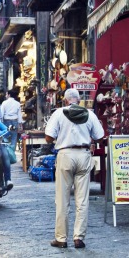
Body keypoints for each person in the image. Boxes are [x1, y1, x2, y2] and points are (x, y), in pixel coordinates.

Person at [44, 88, 104, 249]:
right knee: (82, 200)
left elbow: (48, 137)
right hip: (83, 155)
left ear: (65, 101)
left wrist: (62, 135)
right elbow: (100, 136)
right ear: (79, 100)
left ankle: (61, 238)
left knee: (62, 200)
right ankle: (79, 237)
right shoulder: (89, 114)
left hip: (65, 154)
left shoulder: (59, 113)